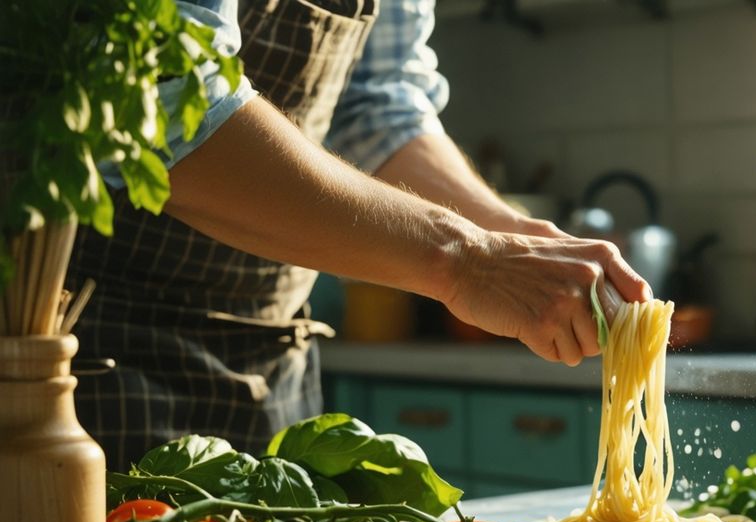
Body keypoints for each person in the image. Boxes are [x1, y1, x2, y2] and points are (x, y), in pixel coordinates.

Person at [67, 0, 650, 470]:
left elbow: (375, 107)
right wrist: (470, 261)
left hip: (271, 361)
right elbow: (170, 105)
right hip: (89, 356)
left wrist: (510, 235)